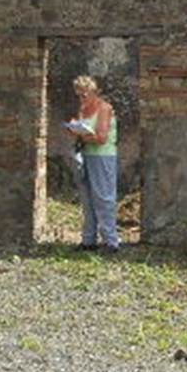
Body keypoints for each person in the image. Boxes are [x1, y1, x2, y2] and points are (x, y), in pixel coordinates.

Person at [64, 75, 119, 254]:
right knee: (87, 198)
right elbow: (86, 134)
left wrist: (80, 135)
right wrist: (75, 131)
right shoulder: (83, 109)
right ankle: (89, 240)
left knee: (103, 197)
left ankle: (111, 241)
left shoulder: (104, 108)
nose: (81, 98)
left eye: (84, 95)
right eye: (78, 95)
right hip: (86, 155)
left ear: (94, 92)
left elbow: (101, 138)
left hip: (103, 157)